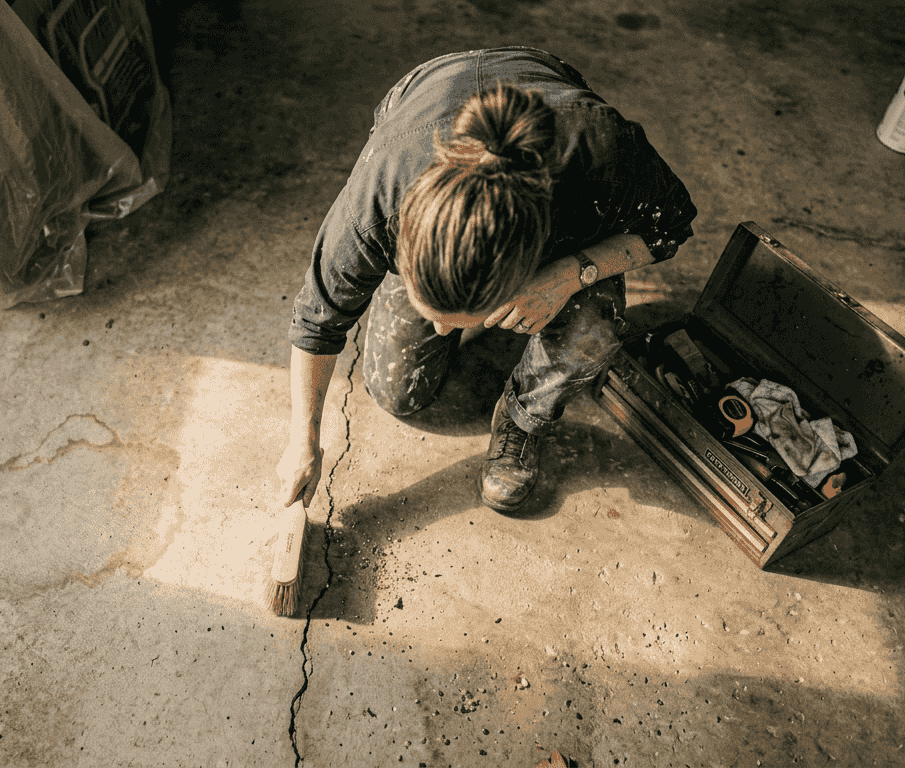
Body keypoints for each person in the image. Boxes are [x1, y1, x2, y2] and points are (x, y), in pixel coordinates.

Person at [278, 47, 697, 514]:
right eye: (436, 313)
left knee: (592, 329)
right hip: (427, 99)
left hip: (563, 198)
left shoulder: (603, 157)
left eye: (456, 319)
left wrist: (572, 272)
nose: (442, 331)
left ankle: (523, 418)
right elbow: (317, 321)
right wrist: (303, 441)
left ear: (523, 271)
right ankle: (444, 296)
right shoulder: (378, 203)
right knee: (397, 392)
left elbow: (671, 226)